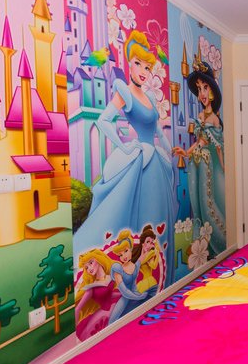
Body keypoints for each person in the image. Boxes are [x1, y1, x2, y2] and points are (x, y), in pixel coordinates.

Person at [73, 31, 176, 284]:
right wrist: (125, 147)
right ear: (129, 63)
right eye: (138, 64)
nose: (143, 71)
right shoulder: (124, 92)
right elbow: (103, 120)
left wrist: (170, 151)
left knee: (160, 217)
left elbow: (157, 130)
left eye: (147, 67)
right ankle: (137, 279)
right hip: (141, 160)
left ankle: (161, 278)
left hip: (156, 161)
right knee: (141, 216)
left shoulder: (149, 97)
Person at [173, 60, 226, 257]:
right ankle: (202, 242)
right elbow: (200, 141)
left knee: (209, 202)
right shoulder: (201, 117)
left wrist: (224, 168)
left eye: (205, 87)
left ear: (212, 90)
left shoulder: (213, 119)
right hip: (198, 165)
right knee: (197, 203)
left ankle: (216, 243)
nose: (202, 93)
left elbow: (212, 146)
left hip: (210, 167)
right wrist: (186, 153)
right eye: (199, 89)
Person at [108, 229, 156, 324]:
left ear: (131, 249)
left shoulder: (134, 266)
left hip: (136, 294)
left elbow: (141, 259)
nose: (124, 256)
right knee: (112, 322)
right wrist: (138, 297)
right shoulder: (118, 269)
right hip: (125, 299)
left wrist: (145, 250)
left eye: (126, 251)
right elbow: (124, 291)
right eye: (120, 255)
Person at [74, 248, 120, 340]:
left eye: (91, 263)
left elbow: (109, 295)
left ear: (99, 260)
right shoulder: (91, 288)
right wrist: (74, 329)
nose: (89, 268)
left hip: (112, 308)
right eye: (86, 267)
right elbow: (77, 309)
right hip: (103, 313)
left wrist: (122, 293)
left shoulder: (109, 277)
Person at [136, 224, 160, 294]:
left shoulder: (151, 253)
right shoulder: (143, 253)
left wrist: (157, 252)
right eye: (148, 241)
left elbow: (153, 266)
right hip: (145, 283)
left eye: (151, 241)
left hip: (149, 281)